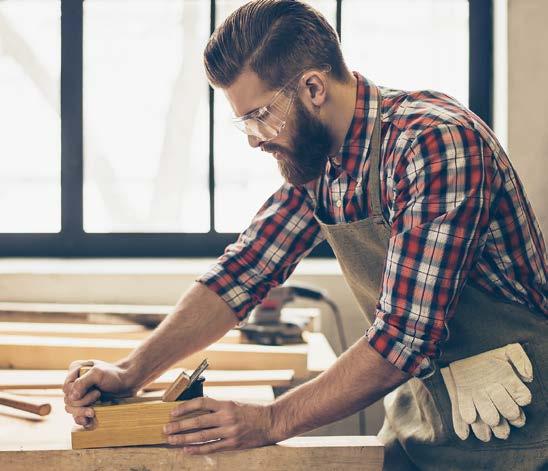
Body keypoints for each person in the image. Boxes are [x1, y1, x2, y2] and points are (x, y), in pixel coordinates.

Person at [63, 1, 547, 469]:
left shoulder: (435, 143)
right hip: (427, 421)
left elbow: (404, 337)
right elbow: (245, 270)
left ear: (314, 88)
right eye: (243, 122)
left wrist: (271, 420)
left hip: (527, 422)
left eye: (259, 116)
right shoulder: (322, 164)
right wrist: (131, 371)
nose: (253, 138)